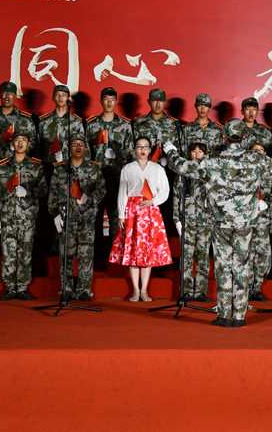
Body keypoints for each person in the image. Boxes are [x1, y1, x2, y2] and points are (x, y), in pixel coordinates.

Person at [164, 120, 272, 328]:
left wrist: (171, 150)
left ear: (224, 136)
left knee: (223, 266)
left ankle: (224, 314)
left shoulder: (212, 159)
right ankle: (240, 315)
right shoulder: (255, 159)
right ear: (244, 137)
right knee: (242, 266)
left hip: (220, 222)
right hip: (245, 223)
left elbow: (182, 167)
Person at [110, 136, 172, 302]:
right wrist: (121, 214)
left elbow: (165, 191)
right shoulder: (128, 169)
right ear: (134, 150)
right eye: (139, 146)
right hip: (132, 211)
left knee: (147, 251)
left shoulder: (157, 169)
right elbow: (122, 193)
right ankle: (135, 291)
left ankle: (144, 290)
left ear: (150, 149)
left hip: (150, 210)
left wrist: (153, 201)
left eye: (145, 147)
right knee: (133, 250)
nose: (143, 150)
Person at [48, 134, 105, 301]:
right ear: (69, 148)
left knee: (86, 254)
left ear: (86, 148)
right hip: (66, 219)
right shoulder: (60, 169)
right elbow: (53, 194)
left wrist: (90, 198)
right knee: (65, 255)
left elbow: (102, 190)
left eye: (81, 144)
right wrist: (55, 214)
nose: (78, 147)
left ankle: (83, 290)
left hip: (87, 219)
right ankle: (66, 289)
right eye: (74, 144)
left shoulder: (94, 169)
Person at [0, 130, 48, 301]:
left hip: (27, 217)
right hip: (7, 216)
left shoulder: (36, 166)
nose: (20, 143)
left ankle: (23, 287)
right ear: (12, 143)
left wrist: (28, 192)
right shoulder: (3, 165)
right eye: (17, 140)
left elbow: (44, 189)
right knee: (8, 253)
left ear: (28, 144)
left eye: (23, 140)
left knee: (25, 253)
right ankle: (10, 287)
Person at [85, 86, 134, 241]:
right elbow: (86, 152)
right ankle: (97, 250)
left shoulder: (125, 125)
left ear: (116, 101)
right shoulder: (92, 124)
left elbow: (130, 151)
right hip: (97, 177)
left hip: (117, 177)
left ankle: (115, 249)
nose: (109, 103)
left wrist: (117, 156)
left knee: (116, 215)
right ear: (101, 101)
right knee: (95, 214)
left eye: (112, 100)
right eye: (106, 99)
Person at [172, 142, 214, 302]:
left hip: (205, 222)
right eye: (193, 151)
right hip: (187, 221)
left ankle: (201, 291)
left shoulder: (210, 173)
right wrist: (177, 219)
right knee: (186, 258)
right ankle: (187, 291)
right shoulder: (182, 174)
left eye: (200, 152)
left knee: (203, 257)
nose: (196, 154)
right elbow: (176, 197)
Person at [248, 143, 272, 302]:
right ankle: (246, 289)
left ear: (265, 153)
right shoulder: (243, 170)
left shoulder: (270, 173)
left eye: (260, 150)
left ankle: (257, 288)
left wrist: (268, 204)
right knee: (247, 255)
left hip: (263, 221)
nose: (258, 152)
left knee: (264, 256)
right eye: (254, 150)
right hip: (247, 221)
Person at [0, 81, 37, 166]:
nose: (7, 96)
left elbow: (33, 143)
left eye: (10, 94)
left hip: (17, 166)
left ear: (15, 97)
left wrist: (19, 153)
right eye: (4, 93)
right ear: (0, 95)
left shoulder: (25, 119)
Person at [38, 84, 86, 164]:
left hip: (69, 165)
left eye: (64, 95)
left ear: (68, 98)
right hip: (48, 165)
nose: (60, 97)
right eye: (58, 95)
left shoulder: (76, 122)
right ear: (53, 98)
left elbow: (82, 146)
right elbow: (38, 146)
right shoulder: (44, 121)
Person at [132, 88, 179, 163]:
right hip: (145, 166)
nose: (157, 104)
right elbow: (133, 149)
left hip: (168, 167)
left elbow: (179, 151)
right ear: (149, 102)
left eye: (161, 101)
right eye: (154, 100)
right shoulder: (138, 123)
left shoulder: (174, 124)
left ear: (165, 102)